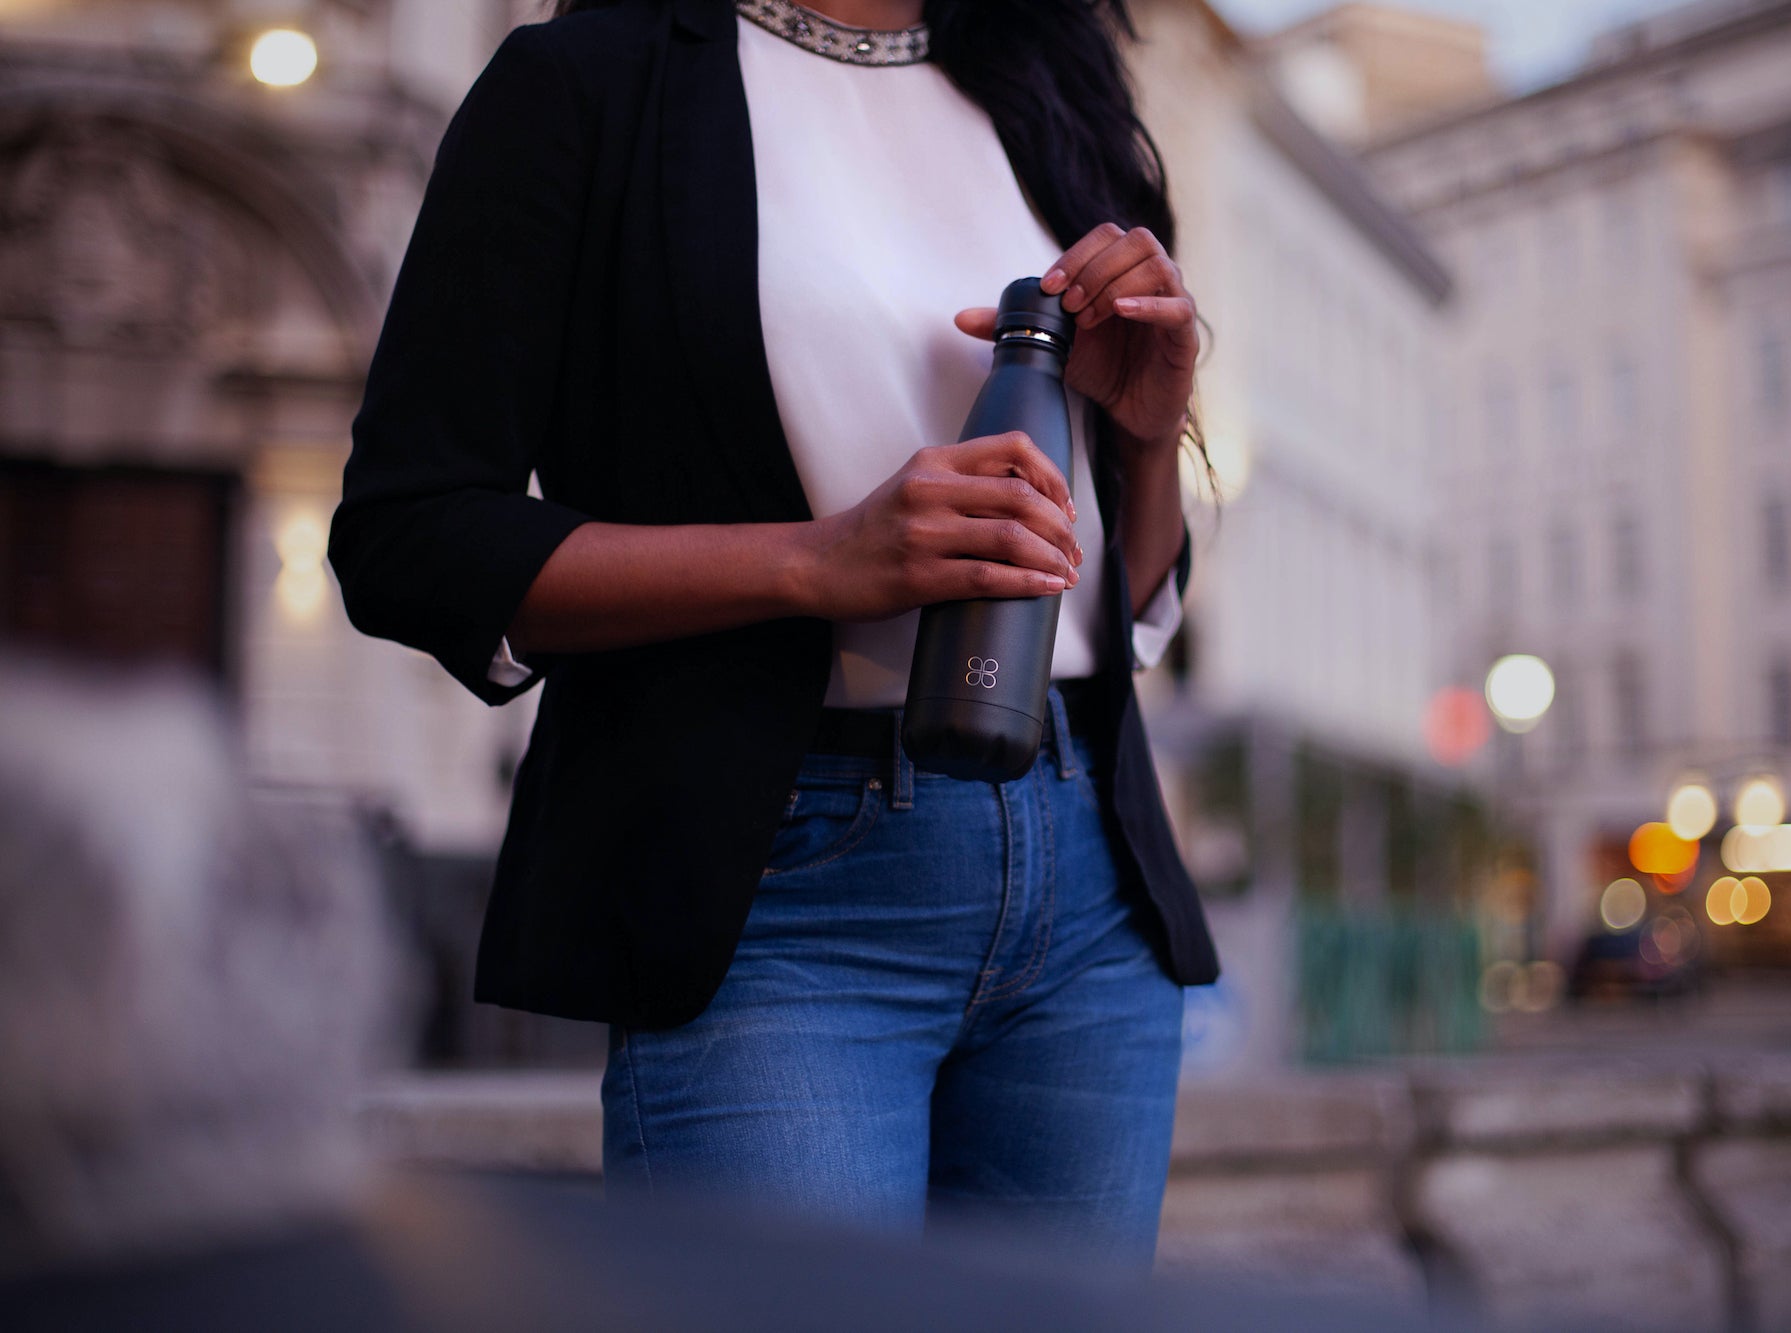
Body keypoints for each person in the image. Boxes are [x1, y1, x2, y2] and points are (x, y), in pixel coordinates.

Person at [328, 0, 1220, 1261]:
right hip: (782, 892)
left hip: (1085, 888)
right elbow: (409, 537)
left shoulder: (1058, 97)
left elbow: (1118, 610)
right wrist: (815, 561)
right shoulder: (587, 84)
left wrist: (1144, 434)